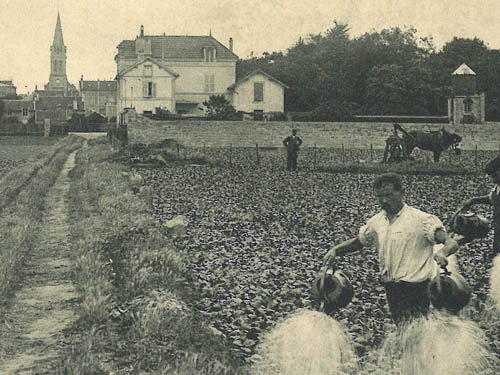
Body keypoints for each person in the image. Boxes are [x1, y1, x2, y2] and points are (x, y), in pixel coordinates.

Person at [323, 173, 458, 326]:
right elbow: (359, 242)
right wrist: (336, 250)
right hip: (392, 287)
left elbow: (450, 242)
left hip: (416, 288)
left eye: (389, 195)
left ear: (401, 193)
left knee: (416, 330)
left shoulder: (421, 220)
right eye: (380, 196)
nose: (384, 201)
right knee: (403, 329)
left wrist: (442, 252)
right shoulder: (377, 222)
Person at [458, 155, 500, 260]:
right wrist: (473, 201)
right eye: (491, 176)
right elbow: (491, 199)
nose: (493, 179)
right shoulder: (498, 187)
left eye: (495, 176)